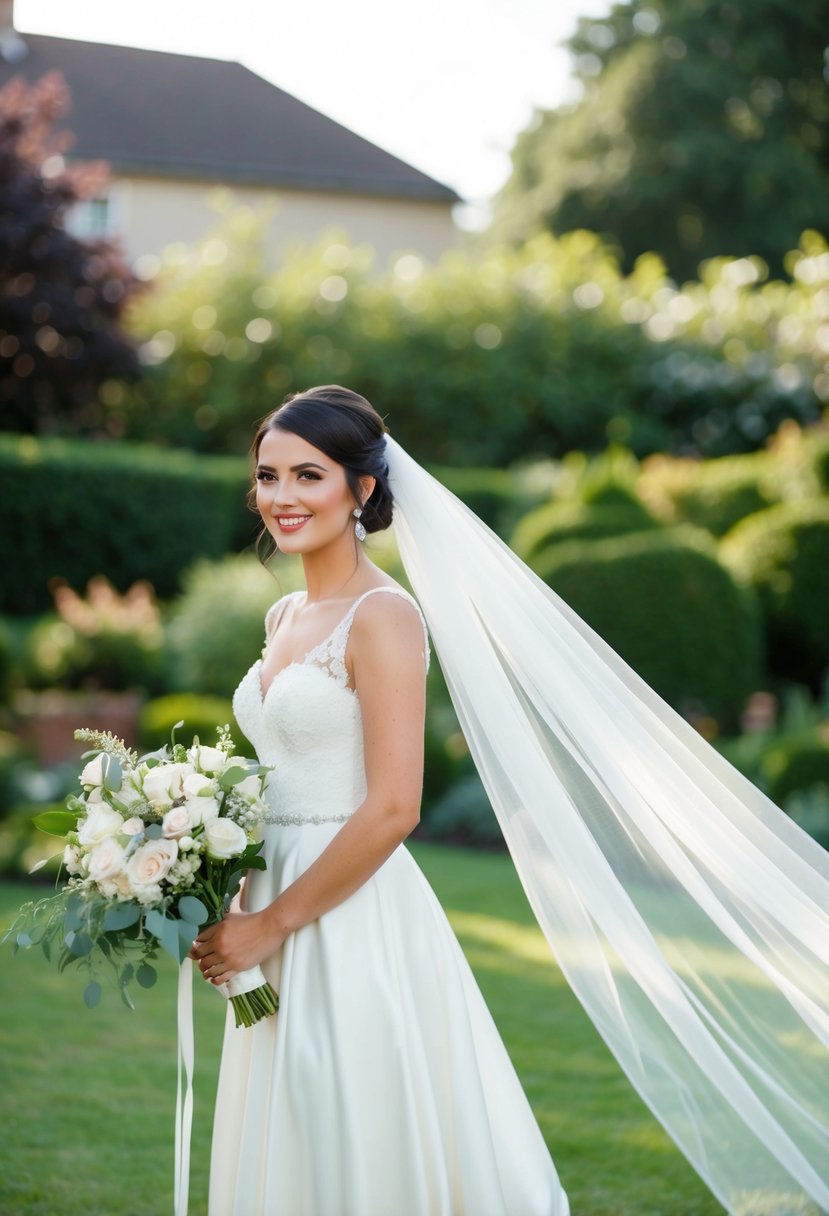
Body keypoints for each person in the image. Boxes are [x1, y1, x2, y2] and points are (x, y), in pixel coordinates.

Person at [192, 385, 571, 1216]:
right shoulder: (285, 612)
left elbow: (396, 806)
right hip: (271, 892)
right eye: (268, 475)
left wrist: (276, 921)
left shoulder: (385, 617)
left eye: (308, 475)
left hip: (348, 912)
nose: (282, 497)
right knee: (288, 1121)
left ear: (361, 490)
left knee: (346, 1115)